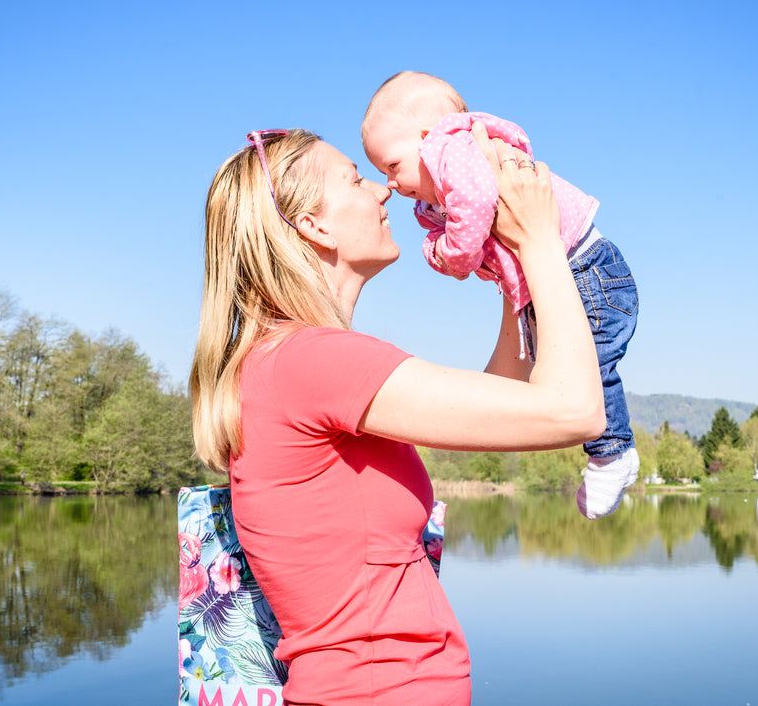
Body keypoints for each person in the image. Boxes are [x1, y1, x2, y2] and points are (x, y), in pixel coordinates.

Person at [189, 124, 606, 706]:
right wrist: (541, 242)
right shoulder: (314, 361)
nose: (385, 192)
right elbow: (577, 411)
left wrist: (510, 268)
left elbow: (503, 403)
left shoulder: (285, 360)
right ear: (313, 225)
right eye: (356, 180)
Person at [361, 71, 640, 519]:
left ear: (427, 137)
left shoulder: (454, 150)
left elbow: (469, 223)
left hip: (586, 269)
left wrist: (452, 254)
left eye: (391, 166)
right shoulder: (442, 183)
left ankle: (612, 452)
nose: (388, 185)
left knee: (593, 363)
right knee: (558, 374)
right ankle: (609, 452)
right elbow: (504, 392)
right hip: (558, 272)